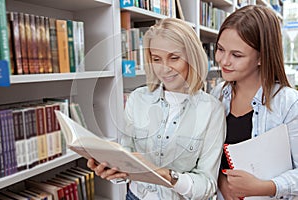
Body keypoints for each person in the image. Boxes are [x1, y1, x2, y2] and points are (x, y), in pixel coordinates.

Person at [87, 17, 226, 199]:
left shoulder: (212, 110)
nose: (164, 69)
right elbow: (127, 154)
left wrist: (167, 175)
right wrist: (113, 171)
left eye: (174, 58)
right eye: (156, 59)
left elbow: (207, 185)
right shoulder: (137, 98)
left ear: (192, 58)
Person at [211, 5, 298, 199]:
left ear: (261, 57)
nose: (224, 61)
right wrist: (222, 182)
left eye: (237, 55)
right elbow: (208, 157)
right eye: (220, 49)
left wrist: (267, 187)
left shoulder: (288, 103)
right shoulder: (217, 94)